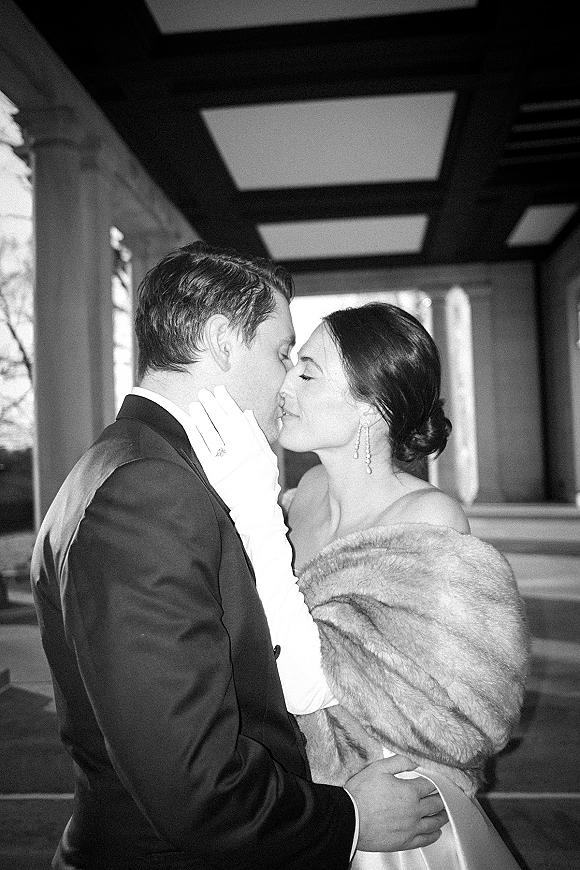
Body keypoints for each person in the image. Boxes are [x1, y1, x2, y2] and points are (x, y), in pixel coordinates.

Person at [30, 244, 448, 870]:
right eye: (283, 352)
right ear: (224, 342)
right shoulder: (152, 490)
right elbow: (193, 782)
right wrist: (350, 818)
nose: (288, 379)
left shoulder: (140, 466)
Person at [190, 302, 530, 870]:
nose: (285, 384)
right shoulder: (301, 496)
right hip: (298, 793)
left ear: (373, 409)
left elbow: (454, 708)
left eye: (308, 372)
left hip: (393, 806)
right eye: (290, 364)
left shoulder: (429, 518)